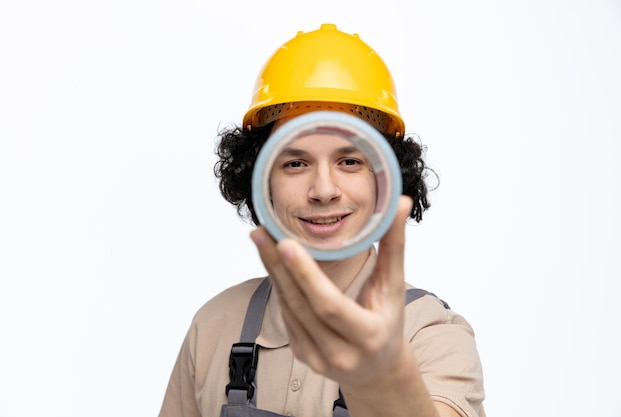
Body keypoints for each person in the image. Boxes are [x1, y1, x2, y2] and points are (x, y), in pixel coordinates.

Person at [158, 23, 486, 417]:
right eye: (295, 163)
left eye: (350, 161)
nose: (324, 189)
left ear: (384, 179)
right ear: (262, 181)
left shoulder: (432, 335)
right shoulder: (214, 325)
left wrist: (383, 381)